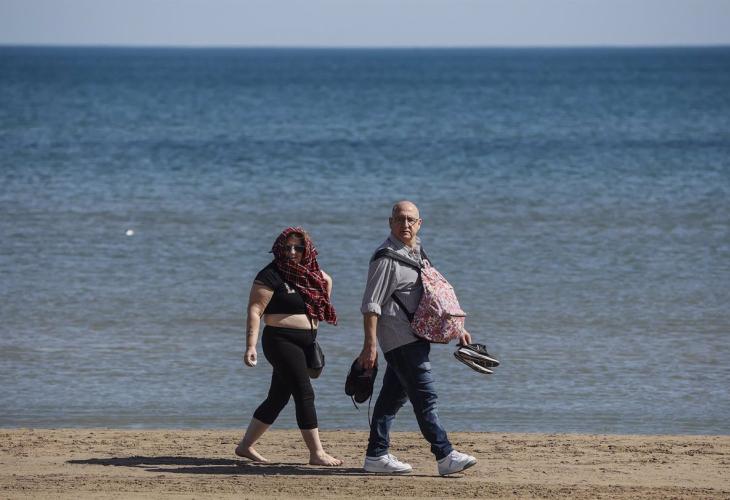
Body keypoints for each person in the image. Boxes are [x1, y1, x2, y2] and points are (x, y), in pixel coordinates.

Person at [357, 201, 478, 476]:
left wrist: (457, 328)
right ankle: (445, 455)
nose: (406, 224)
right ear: (390, 223)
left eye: (411, 220)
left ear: (419, 223)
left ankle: (376, 455)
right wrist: (370, 346)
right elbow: (371, 305)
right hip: (400, 339)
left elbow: (434, 295)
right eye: (400, 219)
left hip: (416, 336)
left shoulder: (417, 252)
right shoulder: (385, 258)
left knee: (391, 399)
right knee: (426, 397)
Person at [236, 227, 342, 466]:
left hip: (306, 342)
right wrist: (250, 346)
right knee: (305, 393)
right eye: (287, 247)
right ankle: (316, 453)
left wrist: (323, 282)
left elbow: (324, 295)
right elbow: (255, 310)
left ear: (308, 250)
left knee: (278, 397)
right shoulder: (270, 274)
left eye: (299, 247)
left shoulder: (313, 275)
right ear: (279, 248)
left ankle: (245, 446)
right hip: (280, 340)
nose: (293, 252)